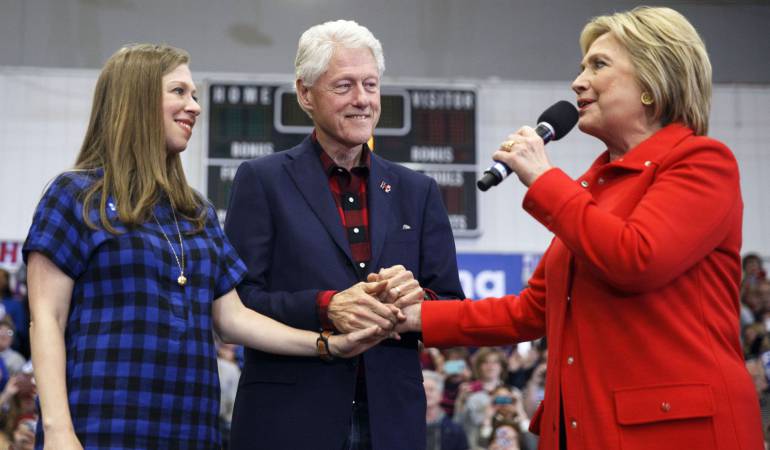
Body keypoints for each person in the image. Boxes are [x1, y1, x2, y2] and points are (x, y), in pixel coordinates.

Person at [395, 7, 764, 449]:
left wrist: (544, 179)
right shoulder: (596, 186)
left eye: (599, 64)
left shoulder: (703, 162)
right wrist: (414, 317)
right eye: (582, 66)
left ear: (652, 83)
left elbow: (636, 259)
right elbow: (529, 311)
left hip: (675, 433)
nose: (578, 82)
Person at [22, 43, 389, 449]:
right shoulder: (74, 196)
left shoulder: (194, 209)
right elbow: (46, 320)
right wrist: (57, 430)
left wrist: (327, 344)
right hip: (102, 425)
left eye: (194, 95)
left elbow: (232, 319)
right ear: (136, 99)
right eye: (179, 92)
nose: (194, 106)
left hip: (192, 428)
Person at [224, 19, 464, 450]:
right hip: (287, 420)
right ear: (304, 94)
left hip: (392, 422)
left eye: (371, 85)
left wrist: (415, 303)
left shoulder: (418, 191)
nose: (362, 100)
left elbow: (450, 304)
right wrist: (327, 306)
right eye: (344, 86)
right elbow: (238, 301)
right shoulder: (261, 180)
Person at [424, 370, 468, 450]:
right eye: (423, 390)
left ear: (440, 395)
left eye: (431, 390)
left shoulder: (455, 430)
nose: (427, 393)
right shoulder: (406, 426)